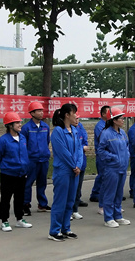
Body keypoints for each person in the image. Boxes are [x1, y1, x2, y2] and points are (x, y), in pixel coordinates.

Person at [0, 112, 32, 232]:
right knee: (6, 198)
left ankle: (19, 219)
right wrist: (7, 167)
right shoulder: (3, 141)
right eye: (17, 123)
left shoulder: (23, 138)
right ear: (10, 125)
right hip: (8, 174)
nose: (20, 124)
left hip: (21, 173)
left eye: (20, 122)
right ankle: (4, 221)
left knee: (20, 197)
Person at [48, 103, 82, 241]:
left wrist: (78, 165)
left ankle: (66, 228)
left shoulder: (74, 130)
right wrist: (74, 165)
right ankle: (54, 231)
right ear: (67, 115)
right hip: (63, 170)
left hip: (74, 171)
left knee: (70, 201)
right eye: (74, 113)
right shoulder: (58, 132)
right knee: (60, 201)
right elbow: (62, 152)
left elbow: (79, 150)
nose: (76, 116)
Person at [98, 107, 131, 228]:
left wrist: (127, 155)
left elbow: (126, 146)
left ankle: (118, 216)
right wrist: (113, 157)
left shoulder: (122, 133)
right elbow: (101, 150)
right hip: (112, 168)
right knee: (110, 193)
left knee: (119, 193)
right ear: (114, 120)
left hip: (122, 167)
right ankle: (108, 218)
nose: (123, 120)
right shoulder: (106, 133)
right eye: (121, 118)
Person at [21, 101, 51, 216]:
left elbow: (47, 141)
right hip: (31, 160)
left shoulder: (45, 127)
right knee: (28, 183)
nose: (41, 113)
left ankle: (42, 204)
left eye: (42, 110)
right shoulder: (26, 128)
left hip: (44, 159)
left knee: (42, 182)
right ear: (32, 113)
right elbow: (23, 145)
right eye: (38, 111)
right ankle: (25, 204)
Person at [89, 105, 110, 206]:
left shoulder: (109, 124)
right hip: (102, 154)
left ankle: (105, 193)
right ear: (103, 114)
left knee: (107, 175)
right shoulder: (100, 126)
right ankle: (95, 193)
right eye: (108, 112)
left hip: (108, 154)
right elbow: (104, 138)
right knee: (102, 174)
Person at [71, 112, 90, 221]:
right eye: (75, 118)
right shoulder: (64, 130)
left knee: (78, 188)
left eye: (78, 118)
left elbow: (84, 142)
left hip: (81, 162)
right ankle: (68, 211)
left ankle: (75, 210)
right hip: (72, 164)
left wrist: (83, 147)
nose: (77, 120)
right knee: (70, 189)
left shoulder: (80, 127)